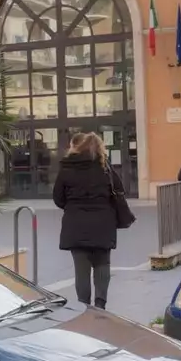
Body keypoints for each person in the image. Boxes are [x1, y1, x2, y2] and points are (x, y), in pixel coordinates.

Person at [53, 132, 124, 309]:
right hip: (102, 223)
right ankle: (100, 305)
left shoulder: (67, 167)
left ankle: (84, 307)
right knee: (102, 263)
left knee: (81, 269)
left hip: (75, 225)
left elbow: (58, 198)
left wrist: (73, 207)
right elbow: (119, 190)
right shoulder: (104, 167)